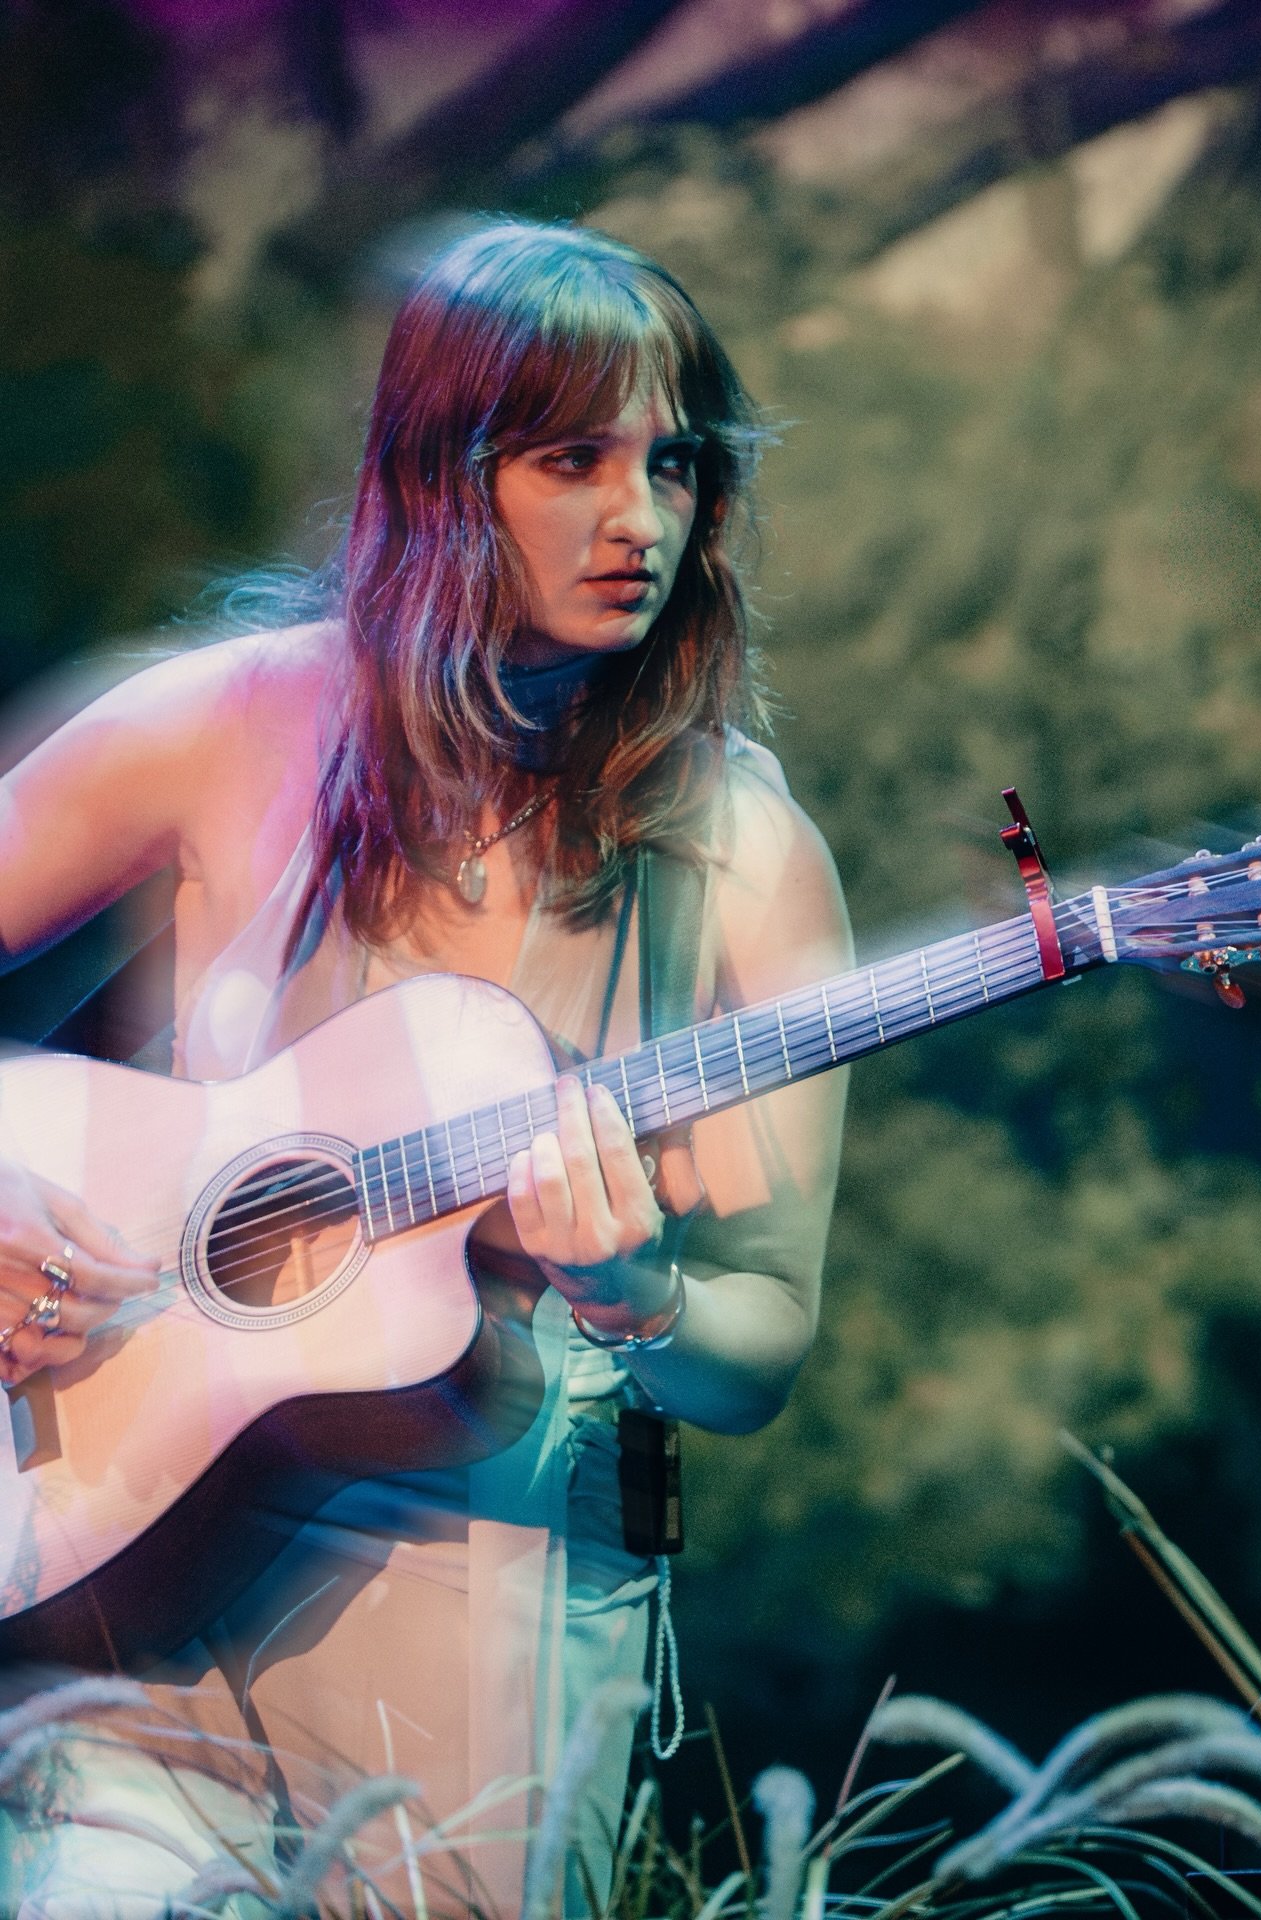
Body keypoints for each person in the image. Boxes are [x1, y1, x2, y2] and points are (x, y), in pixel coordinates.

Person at [0, 218, 850, 1916]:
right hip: (122, 1573)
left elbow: (764, 1342)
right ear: (441, 473)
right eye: (573, 460)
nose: (642, 518)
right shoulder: (223, 725)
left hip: (491, 1631)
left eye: (676, 465)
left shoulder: (741, 851)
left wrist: (638, 1298)